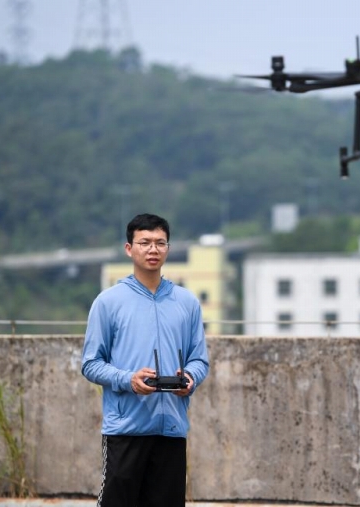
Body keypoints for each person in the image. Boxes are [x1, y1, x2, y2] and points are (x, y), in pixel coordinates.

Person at [82, 213, 209, 507]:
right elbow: (90, 363)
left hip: (171, 432)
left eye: (160, 243)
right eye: (145, 242)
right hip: (125, 431)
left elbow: (200, 360)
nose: (153, 249)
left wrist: (189, 380)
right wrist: (129, 379)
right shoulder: (109, 302)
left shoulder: (186, 302)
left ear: (168, 248)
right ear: (129, 249)